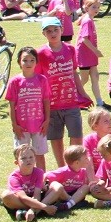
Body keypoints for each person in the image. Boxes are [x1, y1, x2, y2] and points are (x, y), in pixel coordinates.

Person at [35, 17, 83, 169]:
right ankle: (62, 168)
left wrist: (82, 92)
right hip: (52, 104)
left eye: (56, 30)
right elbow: (38, 79)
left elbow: (74, 72)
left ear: (62, 30)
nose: (53, 33)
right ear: (44, 34)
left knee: (76, 136)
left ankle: (74, 167)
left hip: (71, 101)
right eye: (48, 31)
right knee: (56, 138)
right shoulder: (40, 53)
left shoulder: (70, 49)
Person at [5, 46, 51, 170]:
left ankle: (41, 178)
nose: (28, 63)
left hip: (39, 125)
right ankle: (24, 178)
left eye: (32, 60)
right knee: (22, 155)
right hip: (21, 126)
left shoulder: (42, 80)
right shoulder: (14, 81)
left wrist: (47, 120)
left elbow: (46, 100)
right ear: (19, 62)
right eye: (25, 60)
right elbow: (11, 104)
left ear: (36, 62)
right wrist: (14, 124)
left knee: (39, 154)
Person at [2, 143, 58, 222]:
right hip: (20, 201)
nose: (28, 160)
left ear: (35, 159)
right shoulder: (14, 177)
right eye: (23, 158)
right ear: (16, 162)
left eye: (31, 157)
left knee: (57, 187)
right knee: (6, 195)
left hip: (35, 199)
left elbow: (37, 194)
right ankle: (41, 211)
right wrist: (45, 207)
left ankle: (28, 213)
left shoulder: (39, 172)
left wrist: (32, 209)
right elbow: (23, 197)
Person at [74, 0, 108, 109]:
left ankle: (100, 102)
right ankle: (73, 98)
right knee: (84, 79)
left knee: (95, 77)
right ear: (87, 7)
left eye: (98, 7)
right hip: (85, 54)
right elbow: (84, 39)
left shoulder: (89, 19)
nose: (96, 9)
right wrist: (96, 51)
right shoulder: (87, 21)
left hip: (90, 54)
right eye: (94, 7)